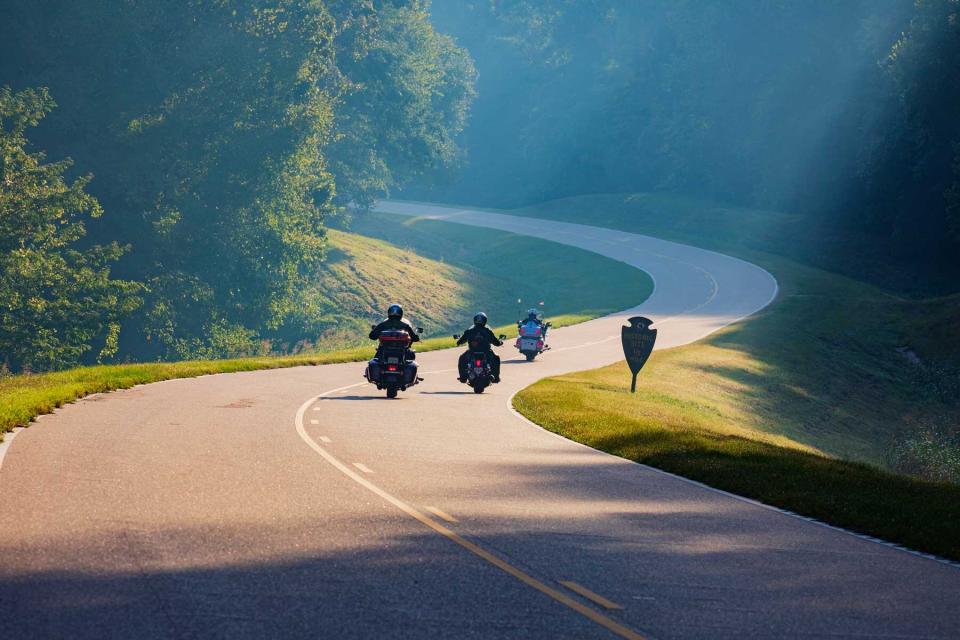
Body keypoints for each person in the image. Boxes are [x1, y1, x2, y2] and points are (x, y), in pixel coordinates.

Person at [457, 312, 502, 382]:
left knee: (462, 358)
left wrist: (459, 342)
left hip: (472, 351)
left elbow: (462, 340)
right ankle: (495, 377)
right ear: (485, 321)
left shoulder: (469, 331)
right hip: (486, 352)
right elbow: (496, 342)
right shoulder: (487, 331)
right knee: (496, 358)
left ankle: (463, 377)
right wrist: (500, 342)